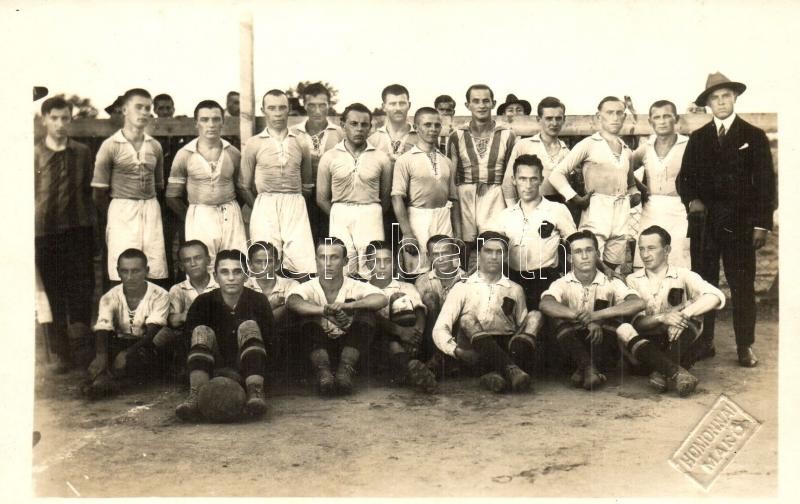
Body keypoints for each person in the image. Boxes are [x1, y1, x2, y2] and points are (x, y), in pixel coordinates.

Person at [677, 72, 776, 367]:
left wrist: (761, 225)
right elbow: (685, 179)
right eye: (715, 98)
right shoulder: (699, 138)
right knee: (704, 285)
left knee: (742, 285)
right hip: (705, 225)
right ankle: (705, 341)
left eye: (726, 96)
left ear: (734, 98)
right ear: (708, 104)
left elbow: (766, 184)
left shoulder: (753, 136)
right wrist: (692, 200)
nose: (721, 102)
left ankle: (745, 345)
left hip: (741, 226)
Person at [618, 226, 725, 396]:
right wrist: (663, 318)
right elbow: (637, 323)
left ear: (667, 250)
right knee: (624, 329)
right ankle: (676, 373)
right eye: (641, 249)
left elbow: (716, 296)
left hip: (675, 343)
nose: (645, 254)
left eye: (651, 248)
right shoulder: (632, 280)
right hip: (645, 350)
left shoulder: (683, 275)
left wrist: (684, 314)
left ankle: (662, 372)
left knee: (694, 316)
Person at [432, 232, 542, 393]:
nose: (494, 257)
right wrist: (456, 351)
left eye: (499, 252)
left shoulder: (515, 289)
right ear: (478, 254)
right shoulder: (463, 287)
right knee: (467, 319)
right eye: (488, 251)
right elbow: (440, 328)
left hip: (505, 344)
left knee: (535, 316)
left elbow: (521, 329)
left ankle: (495, 374)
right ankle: (510, 370)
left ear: (506, 257)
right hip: (474, 349)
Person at [539, 230, 645, 390]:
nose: (584, 256)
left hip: (601, 347)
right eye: (578, 251)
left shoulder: (611, 281)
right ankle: (589, 368)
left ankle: (585, 369)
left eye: (589, 250)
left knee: (618, 317)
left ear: (597, 254)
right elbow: (545, 304)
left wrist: (596, 316)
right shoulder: (562, 283)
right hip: (570, 347)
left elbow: (638, 303)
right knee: (555, 316)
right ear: (570, 258)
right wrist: (582, 318)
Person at [35, 96, 96, 373]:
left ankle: (82, 348)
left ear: (71, 120)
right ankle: (60, 353)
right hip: (45, 233)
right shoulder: (34, 154)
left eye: (65, 118)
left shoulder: (82, 152)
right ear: (44, 120)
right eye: (54, 118)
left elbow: (88, 191)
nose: (60, 124)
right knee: (53, 291)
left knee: (81, 289)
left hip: (78, 230)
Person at [175, 249, 271, 420]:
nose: (231, 278)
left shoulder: (258, 300)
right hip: (212, 369)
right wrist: (219, 372)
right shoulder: (203, 302)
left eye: (237, 272)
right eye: (225, 272)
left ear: (247, 275)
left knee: (249, 326)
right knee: (201, 331)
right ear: (216, 276)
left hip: (248, 369)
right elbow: (186, 345)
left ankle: (255, 392)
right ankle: (196, 395)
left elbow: (271, 344)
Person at [548, 96, 641, 270]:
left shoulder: (626, 150)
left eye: (619, 113)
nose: (615, 117)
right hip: (596, 207)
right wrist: (575, 198)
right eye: (610, 113)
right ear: (599, 116)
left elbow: (630, 184)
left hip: (621, 210)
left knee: (613, 265)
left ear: (624, 117)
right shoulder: (589, 144)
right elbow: (556, 175)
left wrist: (635, 194)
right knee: (589, 261)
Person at [287, 237, 388, 396]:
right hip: (319, 351)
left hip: (351, 350)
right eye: (323, 257)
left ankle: (344, 372)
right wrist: (323, 311)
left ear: (345, 261)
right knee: (306, 312)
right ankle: (324, 374)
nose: (328, 263)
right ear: (316, 261)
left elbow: (381, 299)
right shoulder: (309, 286)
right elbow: (292, 302)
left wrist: (348, 306)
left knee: (367, 312)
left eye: (334, 257)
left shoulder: (354, 285)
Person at [92, 88, 169, 286]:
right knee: (123, 265)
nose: (144, 112)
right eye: (138, 107)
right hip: (122, 210)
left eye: (147, 108)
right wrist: (115, 215)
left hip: (150, 208)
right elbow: (98, 192)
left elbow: (158, 186)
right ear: (125, 110)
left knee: (154, 265)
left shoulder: (155, 146)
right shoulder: (110, 145)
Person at [238, 89, 316, 277]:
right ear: (263, 110)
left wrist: (294, 203)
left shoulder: (301, 141)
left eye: (282, 108)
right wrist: (260, 207)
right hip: (265, 204)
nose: (278, 113)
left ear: (289, 109)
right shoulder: (254, 143)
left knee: (302, 262)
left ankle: (298, 294)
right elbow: (243, 185)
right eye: (272, 108)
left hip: (294, 204)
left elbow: (307, 184)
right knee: (264, 262)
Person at [487, 154, 576, 310]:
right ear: (514, 180)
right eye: (522, 179)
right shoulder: (505, 216)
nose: (528, 185)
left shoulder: (556, 210)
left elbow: (576, 244)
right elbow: (490, 249)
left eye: (533, 179)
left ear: (541, 180)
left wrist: (601, 268)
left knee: (538, 320)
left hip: (545, 279)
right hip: (512, 279)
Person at [166, 100, 247, 267]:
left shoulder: (233, 153)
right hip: (200, 215)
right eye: (204, 119)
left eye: (216, 119)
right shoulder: (185, 154)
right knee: (203, 266)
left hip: (230, 213)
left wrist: (229, 207)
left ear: (223, 122)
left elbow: (241, 188)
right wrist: (192, 216)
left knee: (235, 263)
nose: (211, 125)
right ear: (196, 123)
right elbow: (172, 196)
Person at [86, 249, 175, 399]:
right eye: (124, 271)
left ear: (146, 271)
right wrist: (101, 356)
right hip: (119, 341)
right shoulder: (109, 296)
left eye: (135, 271)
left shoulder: (160, 295)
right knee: (87, 344)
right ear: (118, 272)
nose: (129, 277)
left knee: (147, 354)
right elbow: (103, 326)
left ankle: (110, 383)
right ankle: (106, 378)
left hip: (144, 344)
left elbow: (152, 332)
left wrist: (127, 354)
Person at [317, 103, 392, 278]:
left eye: (364, 125)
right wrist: (339, 214)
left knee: (371, 264)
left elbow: (386, 196)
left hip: (370, 211)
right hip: (339, 212)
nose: (359, 129)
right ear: (343, 125)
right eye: (354, 124)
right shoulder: (329, 157)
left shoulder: (381, 158)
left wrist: (370, 212)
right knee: (343, 264)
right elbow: (321, 198)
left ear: (370, 127)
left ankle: (372, 295)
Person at [448, 84, 516, 269]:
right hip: (465, 193)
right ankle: (463, 279)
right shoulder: (457, 135)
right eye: (476, 101)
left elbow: (511, 174)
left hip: (495, 193)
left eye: (486, 101)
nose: (481, 105)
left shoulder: (507, 135)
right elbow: (451, 175)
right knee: (464, 244)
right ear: (468, 105)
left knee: (494, 241)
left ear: (493, 103)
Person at [392, 107, 461, 276]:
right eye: (427, 124)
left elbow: (454, 199)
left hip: (443, 217)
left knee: (446, 268)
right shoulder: (405, 160)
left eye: (437, 125)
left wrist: (458, 234)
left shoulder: (446, 161)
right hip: (418, 217)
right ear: (416, 127)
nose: (433, 129)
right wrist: (407, 232)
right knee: (418, 267)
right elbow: (397, 197)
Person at [365, 241, 437, 392]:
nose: (382, 266)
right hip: (380, 344)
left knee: (401, 299)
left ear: (394, 264)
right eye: (376, 261)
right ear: (368, 264)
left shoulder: (405, 286)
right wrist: (401, 332)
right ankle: (412, 369)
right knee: (375, 320)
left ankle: (412, 368)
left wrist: (416, 334)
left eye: (387, 261)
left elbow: (419, 310)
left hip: (411, 341)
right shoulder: (362, 289)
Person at [630, 100, 691, 269]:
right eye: (657, 117)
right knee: (648, 256)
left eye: (667, 116)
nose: (662, 121)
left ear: (676, 119)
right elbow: (624, 168)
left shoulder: (687, 145)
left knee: (677, 258)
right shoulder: (646, 147)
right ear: (650, 121)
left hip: (680, 209)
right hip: (652, 209)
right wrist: (640, 187)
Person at [292, 82, 344, 240]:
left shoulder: (340, 133)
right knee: (305, 240)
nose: (317, 111)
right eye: (312, 105)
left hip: (332, 196)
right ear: (304, 105)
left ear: (329, 105)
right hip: (303, 197)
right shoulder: (293, 133)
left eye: (322, 105)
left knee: (331, 240)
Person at [245, 241, 301, 376]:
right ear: (250, 264)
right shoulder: (244, 286)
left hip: (284, 340)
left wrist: (264, 312)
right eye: (258, 262)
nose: (264, 266)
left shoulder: (291, 285)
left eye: (269, 261)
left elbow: (295, 308)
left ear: (277, 264)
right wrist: (275, 305)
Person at [501, 97, 570, 206]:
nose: (554, 123)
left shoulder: (567, 152)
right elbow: (508, 183)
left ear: (564, 119)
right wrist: (514, 211)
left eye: (558, 118)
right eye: (549, 118)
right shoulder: (523, 145)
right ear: (539, 119)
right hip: (529, 207)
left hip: (558, 208)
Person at [167, 240, 218, 331]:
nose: (193, 264)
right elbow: (173, 321)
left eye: (198, 258)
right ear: (181, 266)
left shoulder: (220, 284)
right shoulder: (178, 289)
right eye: (187, 260)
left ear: (208, 260)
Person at [368, 84, 418, 162]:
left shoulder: (422, 138)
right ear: (384, 107)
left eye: (402, 103)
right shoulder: (372, 141)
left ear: (409, 105)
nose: (398, 108)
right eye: (392, 104)